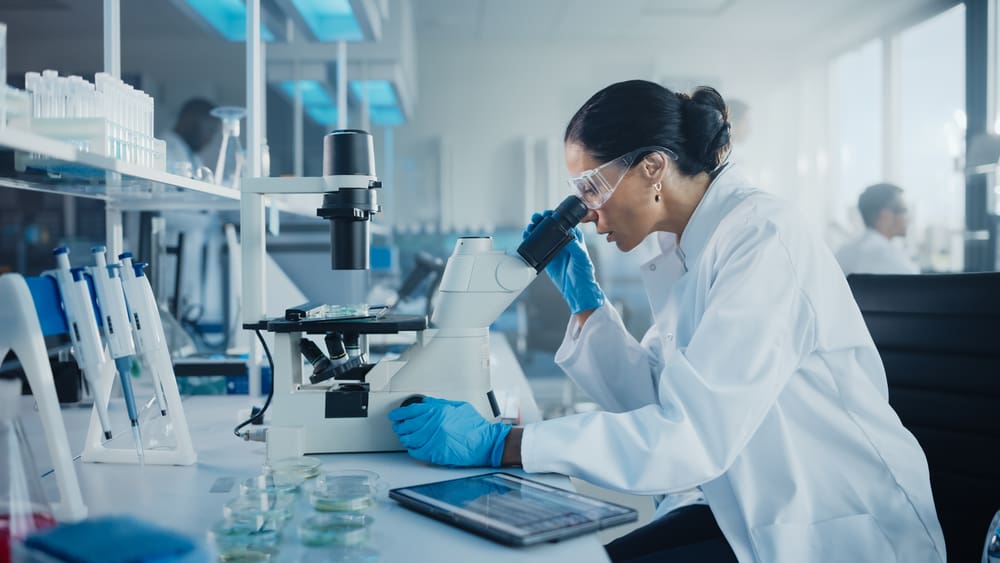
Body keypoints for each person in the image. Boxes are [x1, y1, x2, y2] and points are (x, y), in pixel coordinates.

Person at [388, 80, 944, 562]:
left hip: (832, 530)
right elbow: (656, 399)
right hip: (741, 509)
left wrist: (505, 444)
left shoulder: (760, 237)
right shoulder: (682, 246)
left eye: (592, 188)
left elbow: (689, 435)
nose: (589, 212)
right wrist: (586, 304)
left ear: (652, 166)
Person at [836, 183, 919, 275]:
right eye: (904, 211)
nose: (909, 219)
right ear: (885, 216)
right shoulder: (891, 258)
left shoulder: (842, 253)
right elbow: (916, 283)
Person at [162, 97, 217, 176]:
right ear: (189, 120)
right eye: (210, 129)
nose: (211, 138)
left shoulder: (194, 158)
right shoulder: (164, 151)